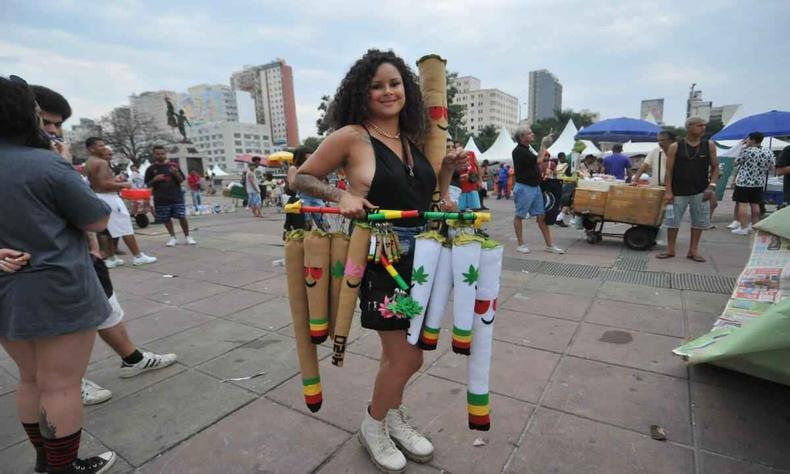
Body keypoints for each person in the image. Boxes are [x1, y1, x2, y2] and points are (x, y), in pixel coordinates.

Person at [291, 49, 467, 473]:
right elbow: (300, 177)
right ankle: (373, 424)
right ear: (362, 93)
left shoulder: (412, 140)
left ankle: (391, 416)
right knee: (408, 357)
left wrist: (444, 172)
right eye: (377, 86)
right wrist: (341, 195)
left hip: (423, 258)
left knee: (406, 353)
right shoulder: (352, 135)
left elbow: (429, 201)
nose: (388, 92)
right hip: (381, 257)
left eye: (394, 83)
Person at [0, 75, 117, 473]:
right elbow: (97, 218)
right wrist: (66, 168)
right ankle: (62, 466)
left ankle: (44, 460)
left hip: (6, 291)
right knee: (61, 385)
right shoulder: (45, 163)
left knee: (29, 379)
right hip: (56, 286)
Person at [84, 137, 157, 267]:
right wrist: (124, 184)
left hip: (101, 196)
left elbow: (100, 182)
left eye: (104, 145)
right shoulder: (101, 162)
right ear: (92, 149)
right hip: (108, 197)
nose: (104, 148)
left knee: (110, 230)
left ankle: (111, 258)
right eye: (100, 146)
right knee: (125, 227)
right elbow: (103, 183)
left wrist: (115, 181)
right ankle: (138, 256)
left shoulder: (90, 161)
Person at [659, 116, 719, 261]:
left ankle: (693, 250)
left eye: (704, 125)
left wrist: (711, 187)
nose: (703, 128)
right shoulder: (676, 146)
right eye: (700, 125)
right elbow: (669, 171)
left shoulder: (709, 145)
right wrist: (668, 191)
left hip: (701, 190)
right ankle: (670, 249)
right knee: (672, 221)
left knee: (698, 221)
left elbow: (716, 168)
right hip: (678, 190)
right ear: (689, 127)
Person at [511, 127, 565, 254]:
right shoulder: (518, 151)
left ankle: (549, 244)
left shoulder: (527, 149)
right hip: (524, 187)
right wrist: (543, 144)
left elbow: (539, 160)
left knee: (542, 216)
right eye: (529, 133)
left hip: (535, 187)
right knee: (519, 215)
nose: (532, 134)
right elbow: (539, 160)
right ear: (522, 138)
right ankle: (520, 243)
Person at [144, 145, 197, 246]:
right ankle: (173, 237)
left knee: (182, 216)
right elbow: (147, 184)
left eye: (162, 153)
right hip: (160, 198)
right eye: (157, 154)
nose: (160, 156)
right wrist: (155, 179)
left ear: (166, 154)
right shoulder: (151, 169)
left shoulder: (173, 165)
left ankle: (187, 236)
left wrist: (176, 174)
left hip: (176, 196)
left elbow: (181, 180)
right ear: (154, 155)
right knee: (166, 218)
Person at [731, 132, 775, 235]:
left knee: (743, 205)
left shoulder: (747, 151)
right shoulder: (768, 151)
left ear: (753, 140)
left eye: (749, 139)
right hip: (759, 183)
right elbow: (772, 168)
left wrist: (743, 147)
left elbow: (735, 162)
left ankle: (743, 227)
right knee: (755, 205)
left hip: (744, 182)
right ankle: (755, 226)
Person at [287, 146, 326, 229]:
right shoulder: (294, 168)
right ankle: (305, 240)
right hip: (302, 198)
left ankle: (323, 240)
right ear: (300, 158)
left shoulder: (314, 168)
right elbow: (291, 186)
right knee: (305, 225)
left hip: (316, 197)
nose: (311, 161)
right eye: (307, 159)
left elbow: (322, 184)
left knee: (323, 224)